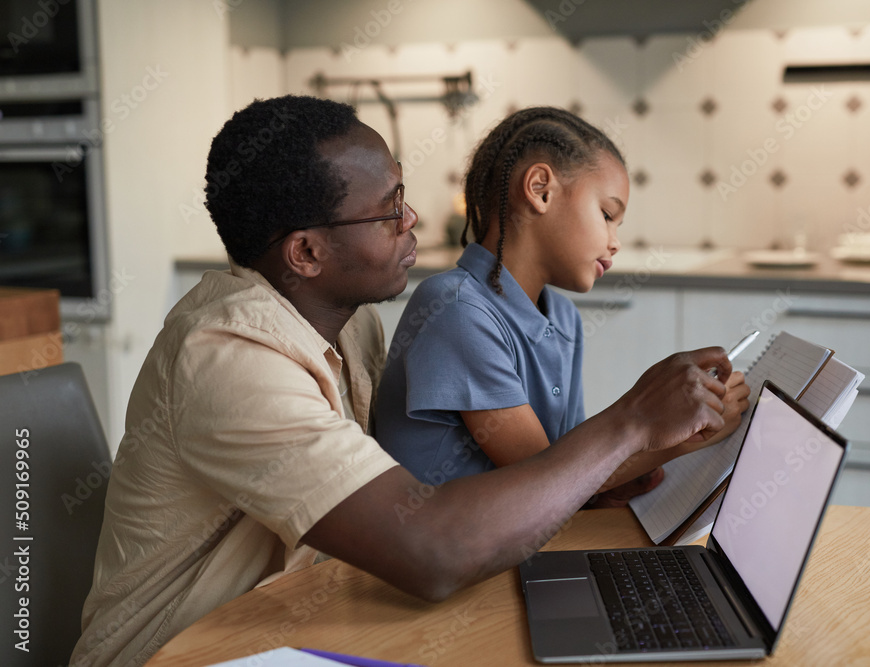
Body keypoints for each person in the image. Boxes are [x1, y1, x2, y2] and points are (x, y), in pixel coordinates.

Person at [71, 95, 734, 667]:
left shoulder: (351, 327)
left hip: (295, 632)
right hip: (181, 652)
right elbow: (429, 548)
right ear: (306, 251)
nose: (412, 219)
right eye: (388, 209)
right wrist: (630, 423)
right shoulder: (228, 354)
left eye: (403, 195)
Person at [375, 107, 749, 504]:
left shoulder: (563, 318)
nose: (615, 241)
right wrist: (685, 435)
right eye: (607, 215)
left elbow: (573, 465)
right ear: (540, 190)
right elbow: (546, 475)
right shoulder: (456, 308)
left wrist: (630, 479)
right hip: (445, 557)